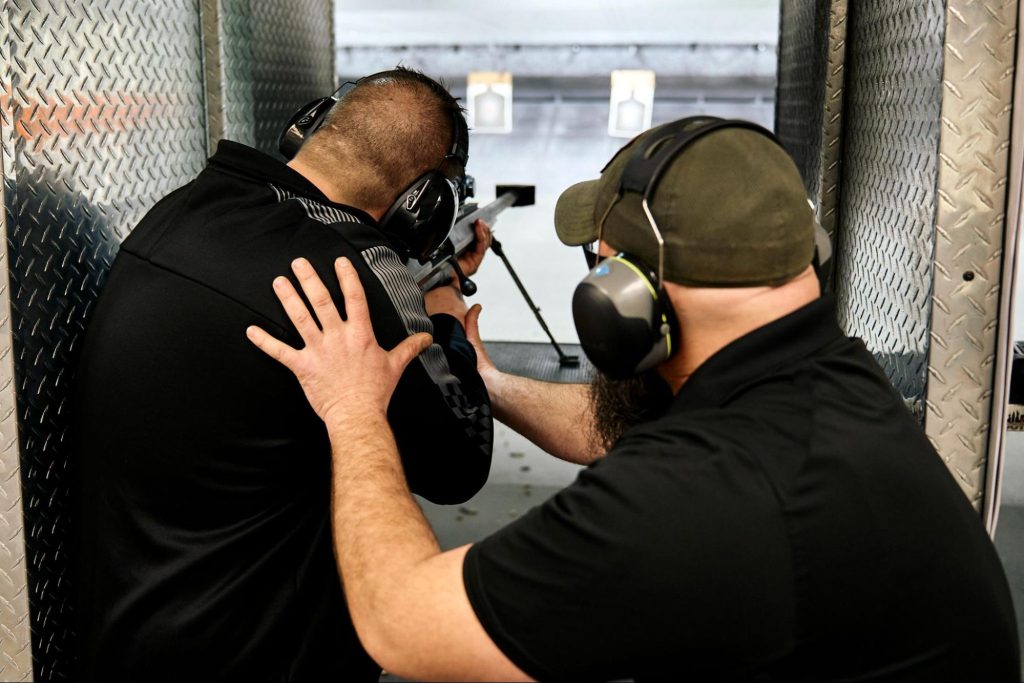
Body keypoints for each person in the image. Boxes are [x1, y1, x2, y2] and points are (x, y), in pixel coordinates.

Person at [247, 117, 1020, 681]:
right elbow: (611, 428)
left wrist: (353, 409)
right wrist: (484, 379)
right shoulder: (820, 379)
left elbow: (401, 622)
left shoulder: (700, 496)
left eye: (603, 262)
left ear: (631, 295)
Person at [73, 68, 493, 681]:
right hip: (267, 654)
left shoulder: (179, 212)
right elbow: (459, 463)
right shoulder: (356, 278)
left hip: (131, 630)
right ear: (425, 203)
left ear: (312, 127)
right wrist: (447, 311)